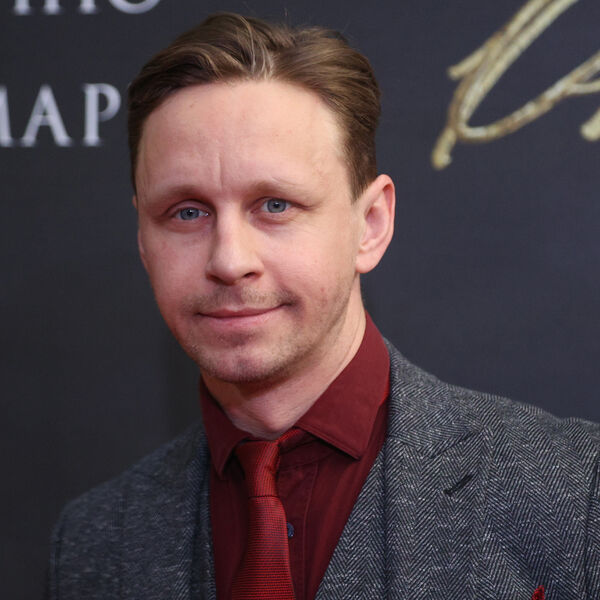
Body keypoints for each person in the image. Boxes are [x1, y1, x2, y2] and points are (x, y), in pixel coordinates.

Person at [47, 13, 599, 600]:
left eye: (275, 205)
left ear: (371, 224)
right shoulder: (93, 543)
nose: (229, 259)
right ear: (143, 239)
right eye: (187, 212)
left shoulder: (577, 494)